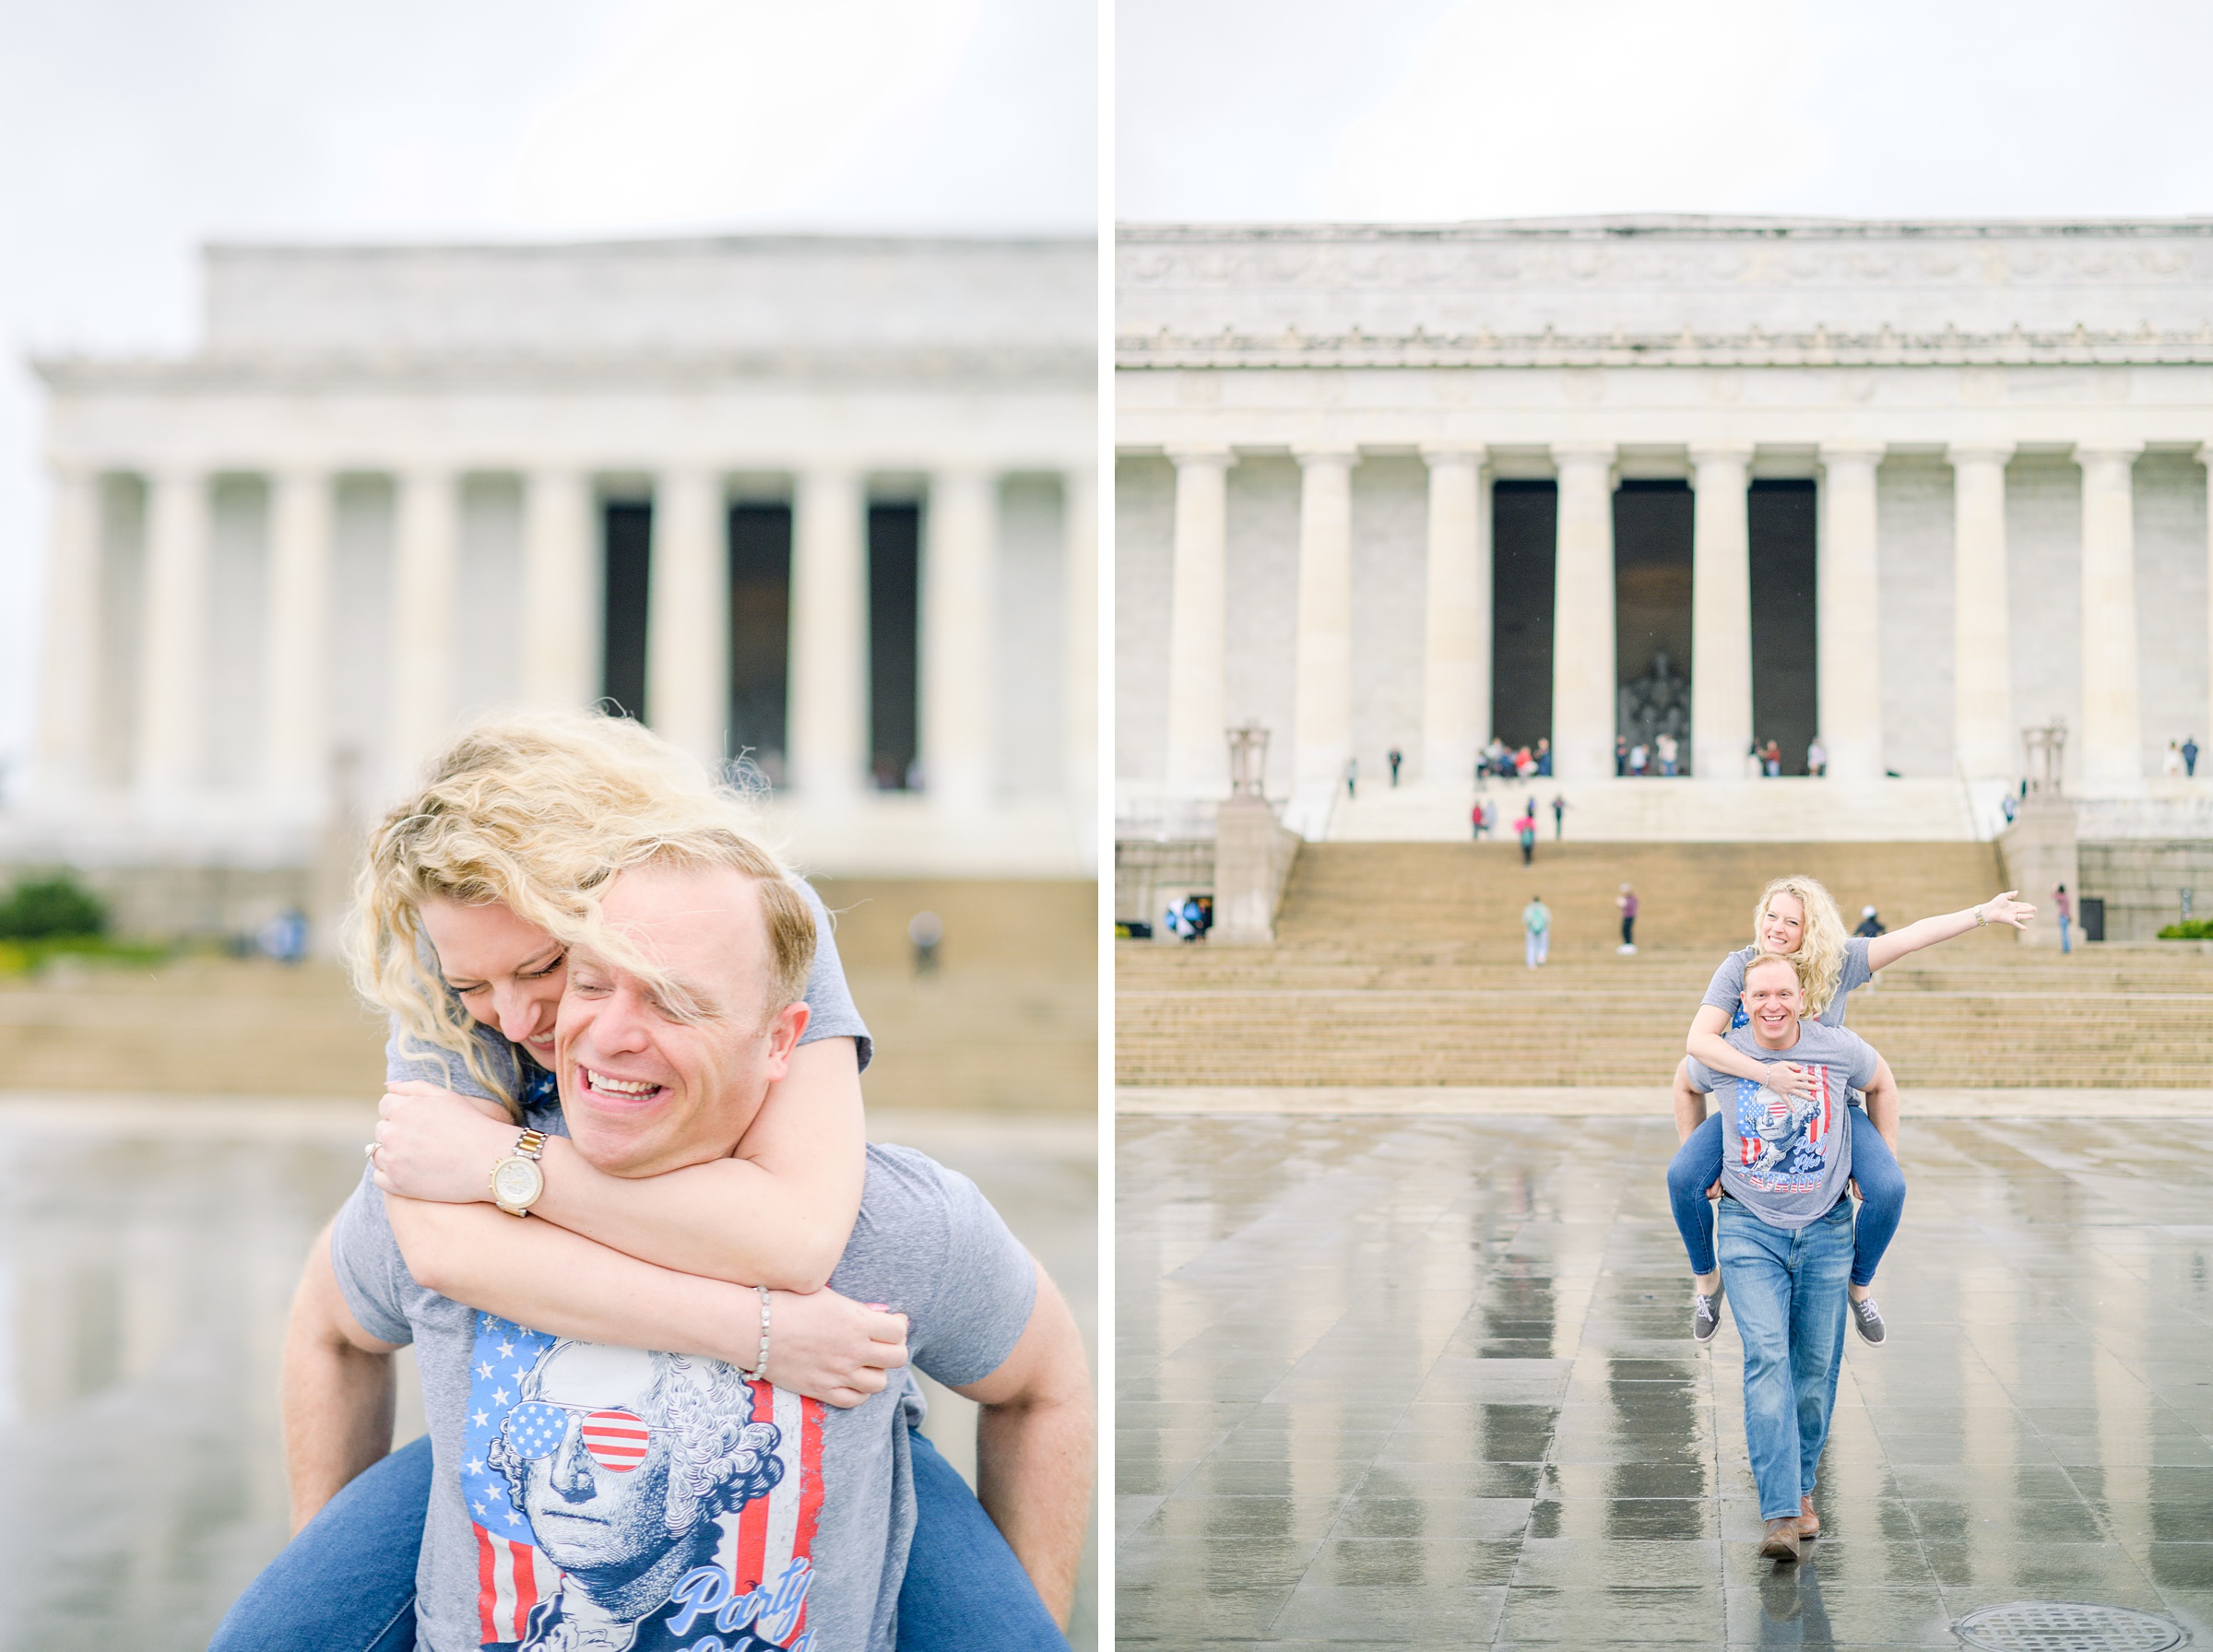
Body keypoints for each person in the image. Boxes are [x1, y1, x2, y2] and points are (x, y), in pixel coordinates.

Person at [212, 715, 1079, 1652]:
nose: (513, 1018)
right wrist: (766, 1337)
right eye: (475, 988)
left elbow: (798, 1235)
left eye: (549, 967)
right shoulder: (440, 950)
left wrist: (507, 1168)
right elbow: (431, 1247)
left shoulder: (753, 913)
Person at [1666, 875, 2035, 1351]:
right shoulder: (1740, 967)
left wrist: (1982, 913)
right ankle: (1707, 1283)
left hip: (1830, 1105)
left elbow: (1912, 936)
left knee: (1887, 1188)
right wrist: (1765, 1077)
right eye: (1770, 915)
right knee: (1683, 1178)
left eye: (1791, 921)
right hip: (1750, 1108)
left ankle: (1858, 1287)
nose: (1776, 927)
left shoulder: (1837, 963)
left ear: (1810, 929)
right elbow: (1697, 1043)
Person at [1685, 951, 1897, 1563]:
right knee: (1767, 1357)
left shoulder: (1836, 1046)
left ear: (1804, 997)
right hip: (1750, 1230)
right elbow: (1684, 1082)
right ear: (1742, 1002)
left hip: (1828, 1228)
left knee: (1814, 1369)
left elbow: (1882, 1083)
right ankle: (1780, 1513)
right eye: (1759, 996)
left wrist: (1872, 1161)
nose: (1772, 1005)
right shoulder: (1726, 1052)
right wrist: (1703, 1164)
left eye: (1783, 994)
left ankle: (1802, 1492)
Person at [1521, 895, 1551, 968]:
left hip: (1531, 929)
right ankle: (1541, 957)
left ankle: (1531, 962)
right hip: (1543, 929)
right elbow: (1548, 918)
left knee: (1531, 946)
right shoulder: (1544, 908)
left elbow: (1525, 919)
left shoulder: (1528, 908)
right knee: (1542, 945)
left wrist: (1529, 926)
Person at [1616, 884, 1639, 955]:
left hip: (1630, 916)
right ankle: (1626, 944)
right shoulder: (1627, 899)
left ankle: (1629, 944)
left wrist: (1623, 904)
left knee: (1627, 930)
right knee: (1624, 930)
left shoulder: (1632, 899)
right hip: (1626, 916)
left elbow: (1629, 906)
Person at [2055, 882, 2072, 953]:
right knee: (2066, 933)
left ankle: (2065, 949)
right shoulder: (2066, 897)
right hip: (2067, 916)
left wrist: (2054, 888)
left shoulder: (2062, 897)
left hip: (2063, 916)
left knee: (2064, 933)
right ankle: (2067, 947)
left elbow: (2054, 896)